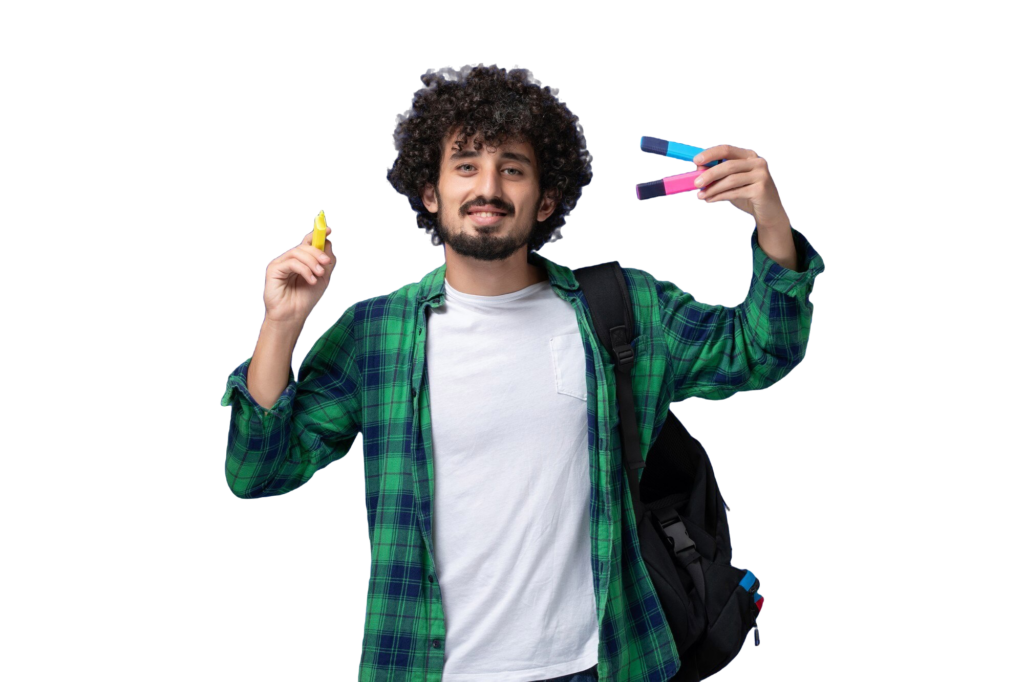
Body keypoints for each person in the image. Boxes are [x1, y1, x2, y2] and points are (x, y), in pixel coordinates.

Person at [221, 63, 826, 682]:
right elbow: (257, 471)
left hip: (605, 664)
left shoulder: (626, 307)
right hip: (429, 669)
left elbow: (761, 351)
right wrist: (282, 324)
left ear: (546, 198)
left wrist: (771, 221)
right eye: (465, 165)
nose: (488, 187)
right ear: (430, 192)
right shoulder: (375, 333)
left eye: (512, 168)